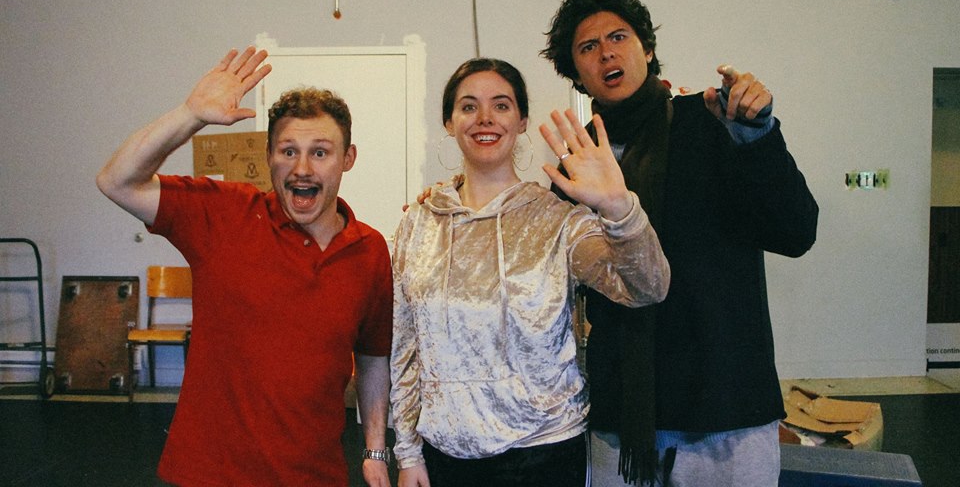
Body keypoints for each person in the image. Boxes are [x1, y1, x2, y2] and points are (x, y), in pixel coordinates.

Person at [541, 0, 819, 486]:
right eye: (588, 47)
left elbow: (796, 231)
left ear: (647, 49)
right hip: (623, 413)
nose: (606, 53)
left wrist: (756, 135)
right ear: (576, 73)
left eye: (618, 37)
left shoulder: (709, 123)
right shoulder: (577, 164)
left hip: (724, 403)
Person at [96, 46, 393, 487]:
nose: (302, 168)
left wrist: (374, 450)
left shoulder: (369, 250)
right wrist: (189, 115)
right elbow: (116, 181)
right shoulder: (226, 215)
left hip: (315, 476)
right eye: (288, 151)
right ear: (268, 155)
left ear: (347, 159)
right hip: (211, 475)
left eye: (320, 152)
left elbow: (372, 358)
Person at [390, 58, 671, 487]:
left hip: (544, 454)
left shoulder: (558, 220)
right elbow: (405, 347)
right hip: (446, 457)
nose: (485, 118)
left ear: (521, 121)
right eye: (468, 106)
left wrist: (619, 207)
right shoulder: (419, 223)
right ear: (449, 122)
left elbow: (647, 287)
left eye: (501, 105)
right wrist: (408, 453)